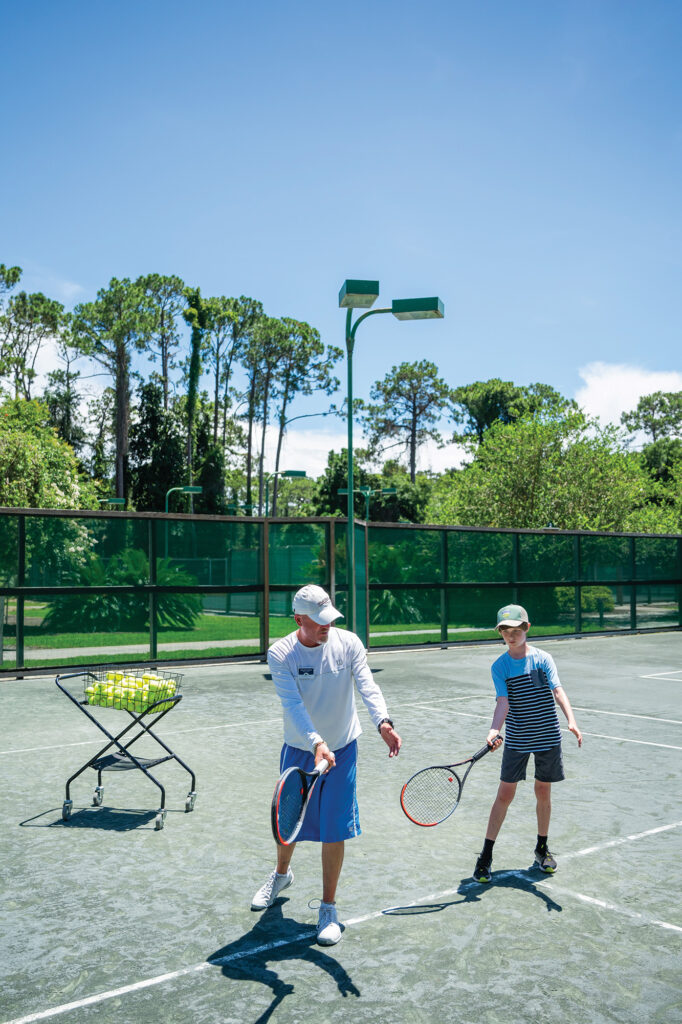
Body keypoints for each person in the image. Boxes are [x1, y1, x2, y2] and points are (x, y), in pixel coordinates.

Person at [251, 584, 401, 945]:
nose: (326, 627)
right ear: (298, 619)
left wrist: (383, 721)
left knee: (334, 827)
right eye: (317, 622)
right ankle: (281, 874)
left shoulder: (349, 643)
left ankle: (328, 908)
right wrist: (316, 743)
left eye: (329, 619)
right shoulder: (281, 653)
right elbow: (293, 706)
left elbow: (367, 685)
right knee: (289, 823)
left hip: (344, 749)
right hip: (300, 748)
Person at [473, 603, 582, 884]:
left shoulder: (543, 659)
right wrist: (494, 729)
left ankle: (542, 849)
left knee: (542, 791)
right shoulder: (500, 666)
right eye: (505, 630)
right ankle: (485, 857)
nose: (511, 635)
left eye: (516, 629)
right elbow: (503, 702)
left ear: (526, 628)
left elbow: (557, 690)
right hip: (519, 738)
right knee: (504, 796)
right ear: (500, 633)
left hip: (547, 736)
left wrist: (571, 719)